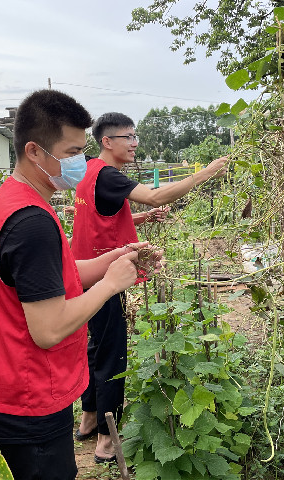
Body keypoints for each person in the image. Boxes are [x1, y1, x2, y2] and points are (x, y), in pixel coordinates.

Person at [0, 91, 158, 480]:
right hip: (27, 396)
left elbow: (57, 275)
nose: (80, 163)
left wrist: (114, 258)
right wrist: (110, 285)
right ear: (34, 151)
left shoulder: (16, 197)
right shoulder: (32, 221)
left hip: (3, 383)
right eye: (72, 151)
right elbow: (48, 329)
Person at [71, 112, 227, 462]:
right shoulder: (109, 175)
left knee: (95, 348)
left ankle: (88, 419)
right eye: (128, 137)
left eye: (135, 136)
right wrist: (206, 173)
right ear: (107, 142)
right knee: (112, 354)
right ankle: (107, 442)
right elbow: (155, 196)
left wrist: (139, 219)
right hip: (104, 277)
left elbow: (102, 216)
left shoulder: (90, 173)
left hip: (83, 272)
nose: (135, 143)